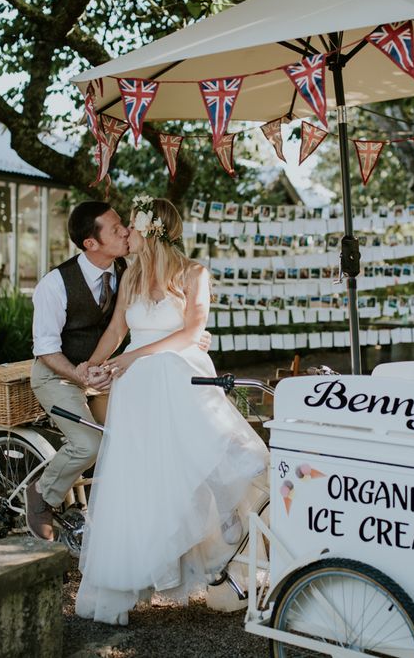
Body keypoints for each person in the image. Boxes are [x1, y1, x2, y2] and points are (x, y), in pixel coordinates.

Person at [75, 196, 269, 626]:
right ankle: (148, 565)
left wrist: (134, 356)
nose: (127, 233)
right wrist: (94, 365)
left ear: (152, 231)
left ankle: (226, 520)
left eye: (133, 226)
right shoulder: (132, 275)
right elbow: (116, 329)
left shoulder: (195, 273)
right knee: (148, 479)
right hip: (140, 391)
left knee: (226, 453)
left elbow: (193, 330)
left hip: (183, 378)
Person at [26, 201, 130, 541]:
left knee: (129, 434)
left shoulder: (124, 270)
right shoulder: (55, 284)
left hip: (100, 373)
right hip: (57, 376)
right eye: (116, 229)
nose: (126, 231)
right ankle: (42, 493)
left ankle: (109, 512)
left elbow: (119, 327)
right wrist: (81, 375)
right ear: (91, 243)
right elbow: (45, 350)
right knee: (89, 445)